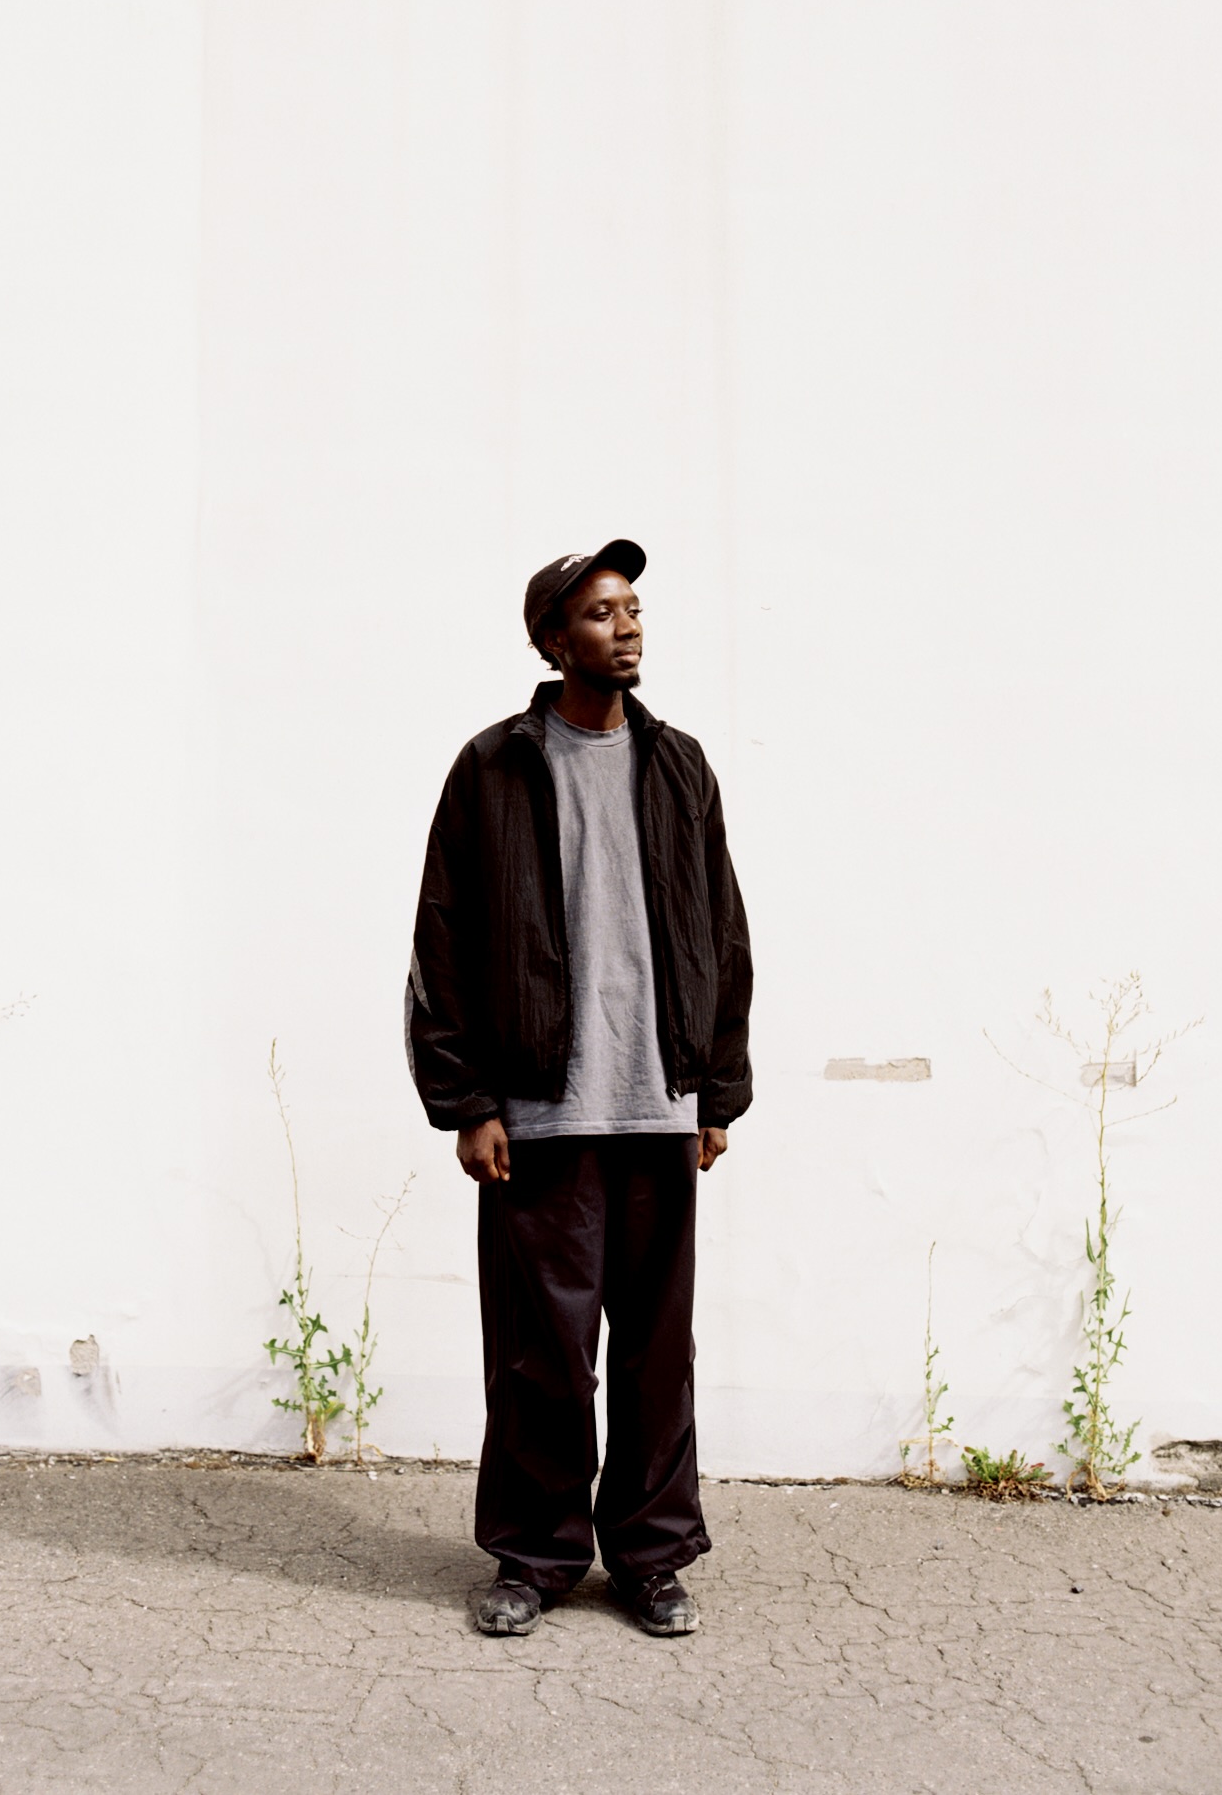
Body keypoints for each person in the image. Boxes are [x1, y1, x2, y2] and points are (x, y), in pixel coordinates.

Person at [405, 539, 753, 1638]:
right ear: (554, 640)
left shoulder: (680, 765)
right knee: (539, 1355)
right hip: (540, 1113)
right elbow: (443, 941)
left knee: (656, 1355)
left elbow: (723, 932)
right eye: (602, 613)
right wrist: (467, 1102)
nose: (627, 626)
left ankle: (650, 1557)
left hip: (659, 1104)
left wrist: (717, 1092)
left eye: (633, 607)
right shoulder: (492, 767)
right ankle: (535, 1556)